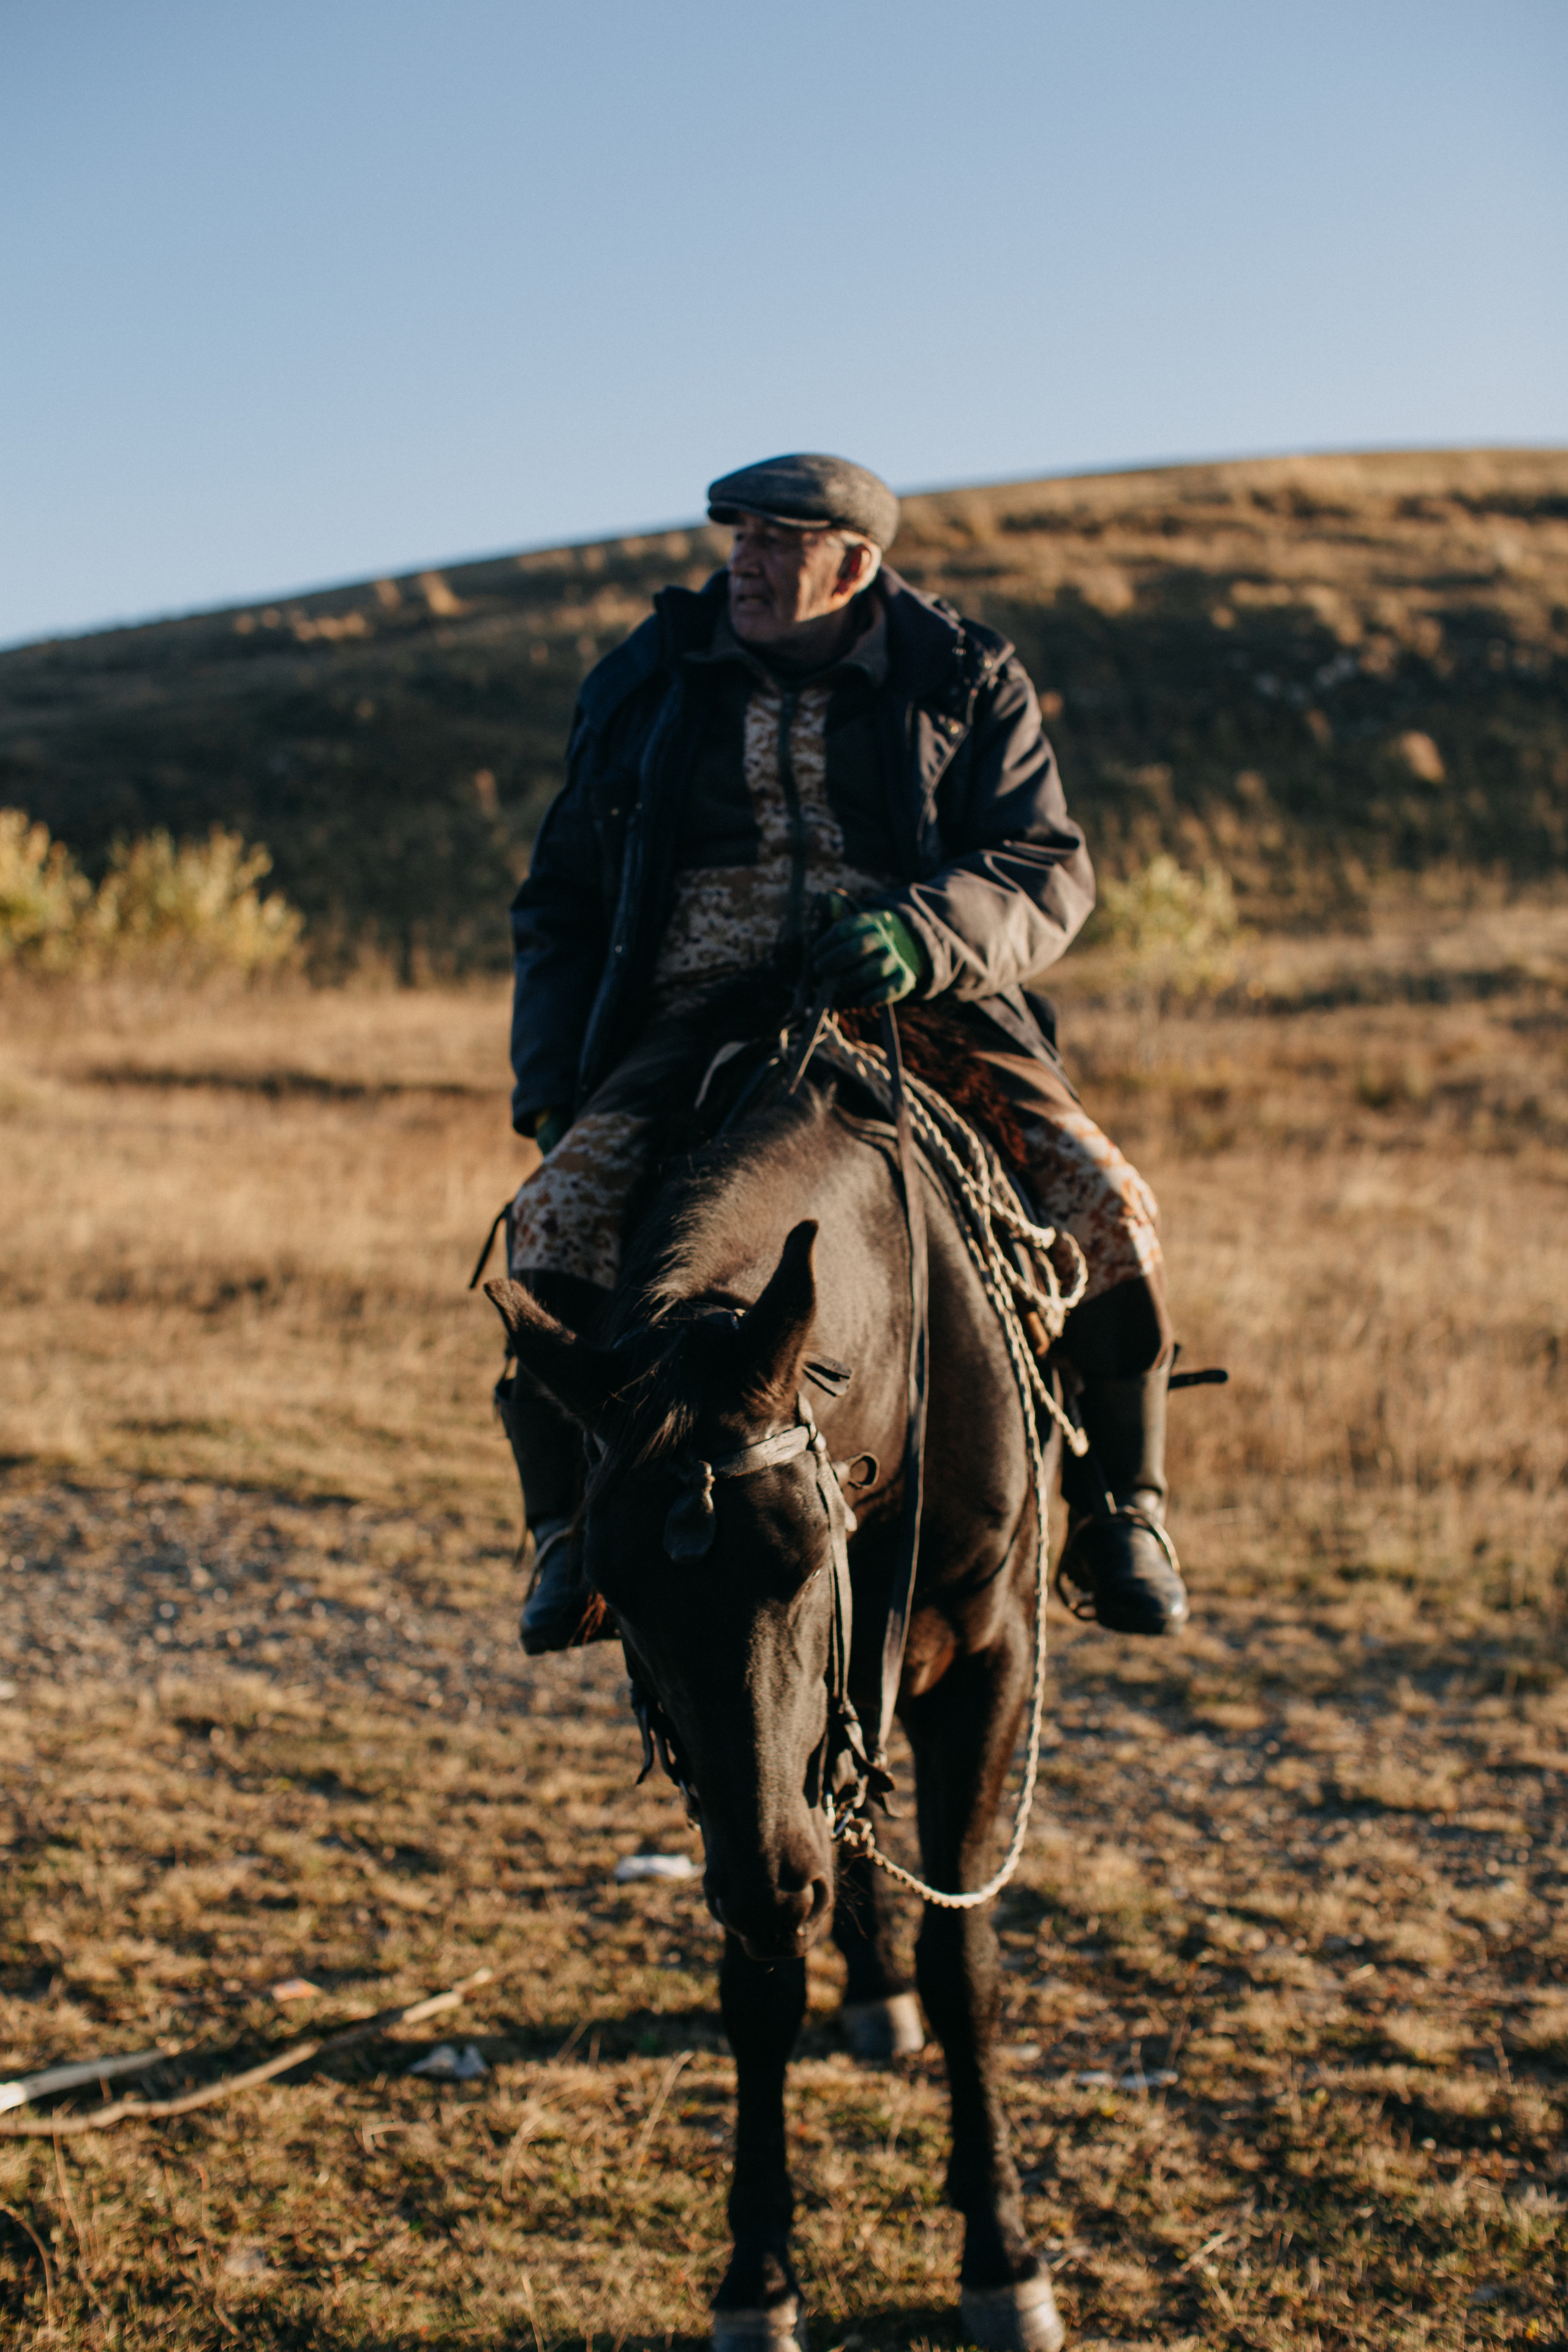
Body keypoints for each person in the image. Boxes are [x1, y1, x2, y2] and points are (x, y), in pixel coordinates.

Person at [502, 453, 1189, 1652]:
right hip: (688, 1014)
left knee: (1109, 1207)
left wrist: (925, 936)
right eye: (737, 538)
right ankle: (567, 1531)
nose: (743, 562)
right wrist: (555, 1090)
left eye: (776, 540)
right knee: (551, 1225)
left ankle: (1121, 1509)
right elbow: (560, 902)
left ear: (854, 563)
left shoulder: (962, 677)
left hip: (917, 1008)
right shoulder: (643, 680)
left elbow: (1046, 867)